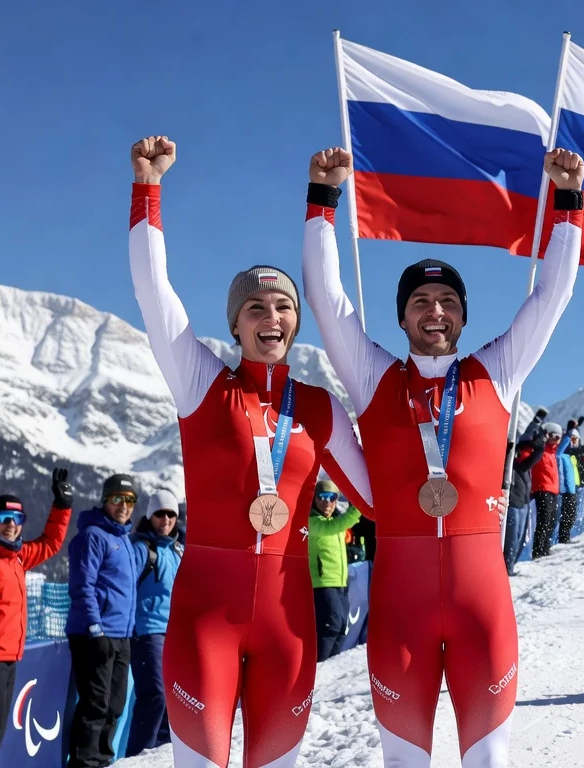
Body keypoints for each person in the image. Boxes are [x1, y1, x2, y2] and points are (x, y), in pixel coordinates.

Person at [302, 145, 584, 765]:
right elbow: (325, 297)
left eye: (449, 302)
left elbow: (552, 297)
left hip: (481, 606)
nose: (436, 310)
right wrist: (323, 201)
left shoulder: (497, 371)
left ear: (462, 316)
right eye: (421, 302)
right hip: (401, 611)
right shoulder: (375, 376)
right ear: (402, 317)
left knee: (488, 760)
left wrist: (567, 205)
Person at [128, 136, 376, 768]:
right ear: (235, 324)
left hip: (286, 625)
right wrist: (148, 190)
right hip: (205, 618)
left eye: (284, 306)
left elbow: (377, 498)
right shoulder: (201, 382)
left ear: (296, 323)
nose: (272, 315)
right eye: (256, 307)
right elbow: (155, 294)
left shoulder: (319, 408)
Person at [0, 470, 71, 768]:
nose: (12, 525)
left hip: (9, 657)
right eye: (4, 518)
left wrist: (62, 507)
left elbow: (50, 544)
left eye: (18, 519)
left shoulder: (18, 556)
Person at [66, 473, 140, 768]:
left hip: (121, 635)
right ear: (105, 500)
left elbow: (128, 592)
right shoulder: (92, 536)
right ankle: (85, 762)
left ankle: (102, 759)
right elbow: (82, 586)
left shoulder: (125, 541)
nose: (123, 505)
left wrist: (129, 630)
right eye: (117, 499)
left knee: (115, 705)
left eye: (130, 500)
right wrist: (95, 630)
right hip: (94, 634)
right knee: (95, 704)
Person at [125, 488, 182, 758]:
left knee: (171, 697)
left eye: (171, 514)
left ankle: (158, 754)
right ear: (150, 516)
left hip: (174, 632)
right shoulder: (141, 548)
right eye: (160, 514)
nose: (166, 520)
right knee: (154, 695)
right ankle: (139, 754)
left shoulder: (177, 550)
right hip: (147, 631)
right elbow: (124, 586)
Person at [308, 480, 363, 662]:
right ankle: (319, 668)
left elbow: (341, 526)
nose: (327, 502)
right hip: (322, 583)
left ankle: (328, 668)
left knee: (341, 630)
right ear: (315, 499)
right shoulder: (313, 522)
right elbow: (339, 526)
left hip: (340, 582)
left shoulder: (333, 521)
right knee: (330, 626)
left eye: (332, 497)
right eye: (322, 497)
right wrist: (358, 505)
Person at [503, 434, 547, 574]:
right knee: (512, 539)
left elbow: (530, 459)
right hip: (513, 504)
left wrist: (536, 447)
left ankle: (510, 567)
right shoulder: (508, 464)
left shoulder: (518, 463)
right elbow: (530, 460)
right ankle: (507, 569)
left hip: (522, 502)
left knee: (520, 539)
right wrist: (538, 450)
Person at [530, 421, 564, 559]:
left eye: (558, 437)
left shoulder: (552, 451)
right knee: (544, 520)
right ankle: (538, 550)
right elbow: (534, 439)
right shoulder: (541, 448)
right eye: (555, 436)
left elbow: (563, 445)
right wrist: (542, 434)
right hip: (542, 488)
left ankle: (546, 547)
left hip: (553, 489)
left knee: (553, 519)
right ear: (547, 434)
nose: (557, 439)